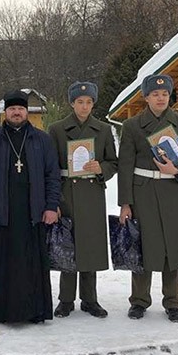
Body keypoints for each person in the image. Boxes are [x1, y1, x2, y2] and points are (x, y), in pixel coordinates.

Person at [118, 74, 178, 323]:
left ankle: (173, 303)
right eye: (155, 94)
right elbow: (125, 165)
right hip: (143, 192)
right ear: (146, 97)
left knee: (173, 249)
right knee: (143, 247)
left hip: (175, 192)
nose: (160, 98)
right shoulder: (132, 126)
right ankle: (139, 301)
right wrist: (125, 202)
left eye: (165, 94)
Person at [0, 89, 61, 324]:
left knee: (32, 263)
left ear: (26, 112)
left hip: (34, 212)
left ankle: (35, 311)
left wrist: (51, 206)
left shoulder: (42, 140)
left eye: (20, 109)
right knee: (4, 264)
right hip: (2, 212)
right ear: (5, 113)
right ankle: (1, 311)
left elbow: (52, 176)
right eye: (12, 109)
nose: (16, 112)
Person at [47, 81, 118, 319]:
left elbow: (113, 162)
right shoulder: (57, 129)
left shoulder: (104, 130)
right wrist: (53, 200)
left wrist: (102, 168)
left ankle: (90, 299)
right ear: (71, 103)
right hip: (67, 191)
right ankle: (65, 299)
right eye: (80, 102)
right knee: (68, 246)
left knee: (91, 246)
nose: (84, 106)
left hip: (92, 193)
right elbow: (50, 167)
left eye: (88, 102)